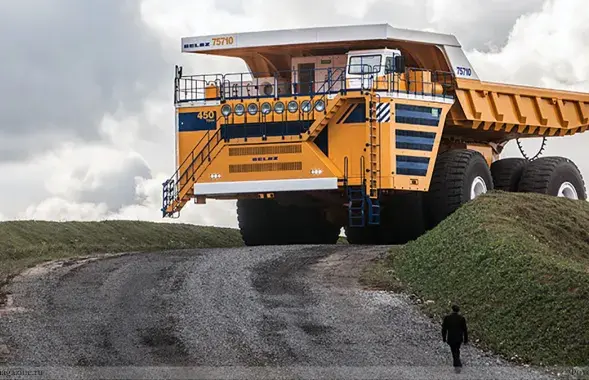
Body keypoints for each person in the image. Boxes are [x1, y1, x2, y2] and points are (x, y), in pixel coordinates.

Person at [442, 304, 468, 369]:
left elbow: (444, 329)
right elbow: (465, 330)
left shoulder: (447, 318)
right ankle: (457, 360)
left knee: (453, 349)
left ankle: (456, 361)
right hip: (459, 338)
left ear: (452, 309)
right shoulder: (462, 318)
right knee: (457, 349)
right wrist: (465, 339)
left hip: (451, 337)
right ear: (458, 310)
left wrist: (444, 337)